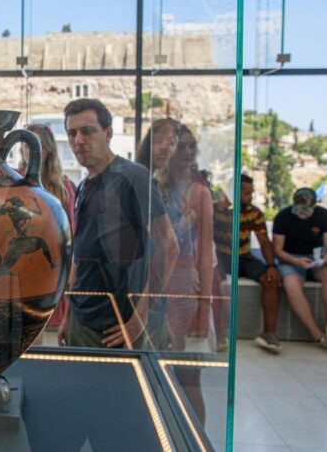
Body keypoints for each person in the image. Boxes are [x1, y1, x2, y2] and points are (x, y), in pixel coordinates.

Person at [57, 99, 178, 350]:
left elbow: (168, 246)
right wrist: (68, 316)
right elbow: (81, 256)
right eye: (72, 133)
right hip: (83, 318)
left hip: (115, 326)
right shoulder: (83, 187)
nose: (78, 140)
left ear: (108, 133)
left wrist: (141, 315)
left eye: (88, 131)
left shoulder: (133, 177)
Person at [156, 123, 214, 425]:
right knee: (156, 373)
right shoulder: (156, 185)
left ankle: (194, 441)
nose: (188, 152)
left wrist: (204, 309)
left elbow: (205, 255)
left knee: (189, 376)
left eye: (192, 146)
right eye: (181, 145)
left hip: (185, 287)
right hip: (157, 286)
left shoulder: (200, 193)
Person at [273, 187, 327, 353]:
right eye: (299, 210)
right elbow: (278, 250)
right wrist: (296, 261)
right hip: (291, 258)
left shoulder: (325, 217)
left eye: (307, 210)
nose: (303, 214)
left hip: (317, 259)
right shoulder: (283, 217)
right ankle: (317, 335)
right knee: (291, 286)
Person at [214, 174, 283, 353]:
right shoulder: (216, 209)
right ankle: (219, 334)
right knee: (214, 282)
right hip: (219, 256)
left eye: (250, 193)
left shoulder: (254, 213)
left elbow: (264, 241)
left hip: (243, 258)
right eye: (245, 193)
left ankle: (269, 333)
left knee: (271, 280)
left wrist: (271, 266)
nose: (249, 197)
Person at [19, 123, 77, 332]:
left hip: (52, 267)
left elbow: (71, 233)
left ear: (49, 149)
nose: (30, 152)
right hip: (20, 267)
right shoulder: (12, 183)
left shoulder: (63, 188)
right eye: (26, 145)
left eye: (37, 146)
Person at [136, 118, 182, 351]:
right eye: (161, 140)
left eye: (172, 143)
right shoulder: (141, 179)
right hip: (140, 291)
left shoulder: (154, 182)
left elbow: (169, 248)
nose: (167, 147)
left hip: (147, 294)